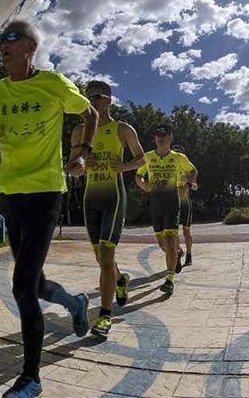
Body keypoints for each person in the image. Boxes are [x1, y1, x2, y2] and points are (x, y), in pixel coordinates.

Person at [0, 19, 98, 398]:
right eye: (0, 41)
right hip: (10, 193)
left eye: (11, 39)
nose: (3, 46)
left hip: (46, 192)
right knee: (37, 284)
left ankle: (31, 377)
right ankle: (75, 302)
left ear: (30, 46)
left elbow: (89, 114)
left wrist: (81, 154)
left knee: (22, 287)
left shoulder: (54, 84)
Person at [71, 80, 145, 338]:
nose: (93, 100)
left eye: (98, 96)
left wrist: (123, 167)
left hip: (113, 197)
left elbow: (142, 158)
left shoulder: (122, 129)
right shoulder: (79, 132)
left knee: (106, 254)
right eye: (89, 96)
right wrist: (80, 164)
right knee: (102, 259)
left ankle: (104, 316)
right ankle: (121, 280)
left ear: (109, 100)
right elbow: (72, 167)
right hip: (91, 200)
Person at [135, 124, 197, 295]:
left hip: (172, 202)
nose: (160, 138)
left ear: (170, 138)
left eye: (164, 135)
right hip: (155, 203)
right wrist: (142, 184)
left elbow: (193, 171)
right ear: (155, 138)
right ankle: (178, 252)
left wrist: (188, 185)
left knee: (170, 240)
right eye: (157, 135)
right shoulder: (147, 157)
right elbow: (138, 175)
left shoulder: (178, 157)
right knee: (163, 244)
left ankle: (169, 280)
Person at [171, 144, 197, 267]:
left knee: (186, 232)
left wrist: (188, 183)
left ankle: (189, 254)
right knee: (173, 233)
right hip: (173, 205)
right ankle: (178, 253)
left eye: (179, 153)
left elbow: (196, 187)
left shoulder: (188, 170)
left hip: (186, 204)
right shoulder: (169, 168)